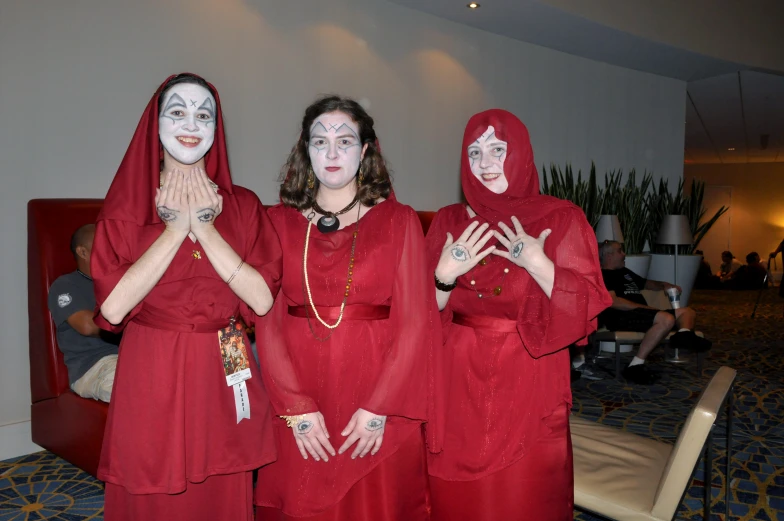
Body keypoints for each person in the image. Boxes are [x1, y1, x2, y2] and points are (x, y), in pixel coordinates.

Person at [91, 73, 281, 521]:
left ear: (216, 130)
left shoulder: (244, 206)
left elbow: (261, 301)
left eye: (204, 114)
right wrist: (175, 229)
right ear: (155, 126)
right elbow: (113, 307)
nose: (191, 123)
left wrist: (205, 227)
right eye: (177, 111)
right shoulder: (127, 207)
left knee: (222, 486)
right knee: (150, 483)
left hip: (225, 356)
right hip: (154, 364)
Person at [425, 109, 611, 521]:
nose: (485, 163)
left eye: (497, 149)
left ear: (521, 155)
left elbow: (587, 306)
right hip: (456, 379)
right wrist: (442, 277)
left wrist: (537, 262)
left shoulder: (560, 218)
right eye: (474, 152)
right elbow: (418, 317)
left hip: (527, 375)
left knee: (519, 497)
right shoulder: (449, 221)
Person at [254, 96, 434, 520]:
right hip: (297, 389)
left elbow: (415, 324)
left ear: (366, 150)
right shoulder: (276, 222)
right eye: (320, 142)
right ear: (305, 149)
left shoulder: (399, 220)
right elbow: (268, 322)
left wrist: (379, 407)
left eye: (345, 140)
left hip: (377, 393)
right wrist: (295, 408)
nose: (332, 153)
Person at [598, 240, 711, 384]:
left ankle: (683, 335)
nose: (624, 254)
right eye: (620, 251)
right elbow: (614, 302)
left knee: (687, 312)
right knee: (667, 319)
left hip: (643, 314)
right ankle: (635, 365)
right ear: (609, 256)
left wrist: (663, 284)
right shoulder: (603, 275)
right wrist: (645, 308)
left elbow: (646, 284)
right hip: (622, 317)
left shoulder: (624, 272)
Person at [48, 224, 119, 402]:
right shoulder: (66, 284)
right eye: (104, 244)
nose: (112, 250)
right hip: (94, 366)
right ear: (83, 252)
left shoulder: (122, 281)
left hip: (134, 357)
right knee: (135, 387)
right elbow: (87, 325)